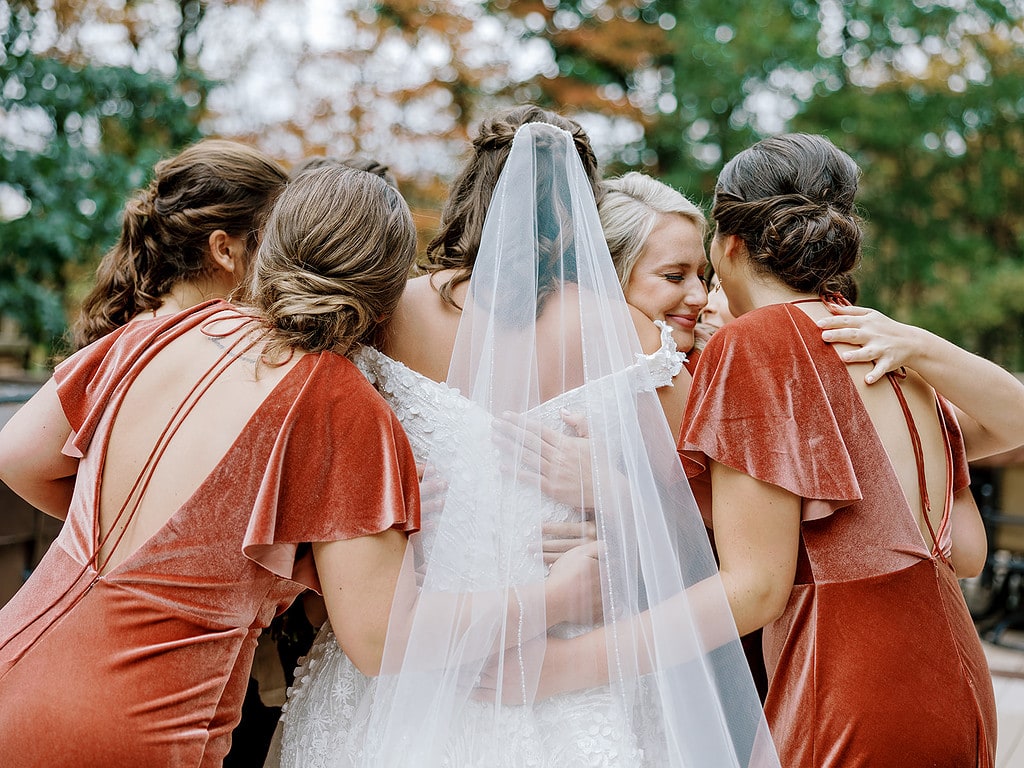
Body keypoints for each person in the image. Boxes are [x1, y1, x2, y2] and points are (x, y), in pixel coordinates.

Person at [270, 109, 777, 767]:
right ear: (584, 210)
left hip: (414, 639)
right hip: (563, 633)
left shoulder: (387, 313)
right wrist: (616, 496)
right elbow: (714, 502)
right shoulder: (622, 329)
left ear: (469, 194)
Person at [0, 165, 428, 765]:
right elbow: (379, 641)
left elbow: (18, 457)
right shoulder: (338, 399)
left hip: (15, 652)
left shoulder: (166, 328)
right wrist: (550, 602)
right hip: (135, 720)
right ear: (389, 287)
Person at [675, 133, 1007, 766]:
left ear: (730, 244)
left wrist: (585, 657)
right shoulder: (875, 342)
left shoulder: (755, 340)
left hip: (849, 682)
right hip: (952, 672)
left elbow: (752, 588)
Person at [71, 138, 289, 350]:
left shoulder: (134, 335)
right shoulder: (199, 349)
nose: (284, 258)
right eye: (272, 240)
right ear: (224, 249)